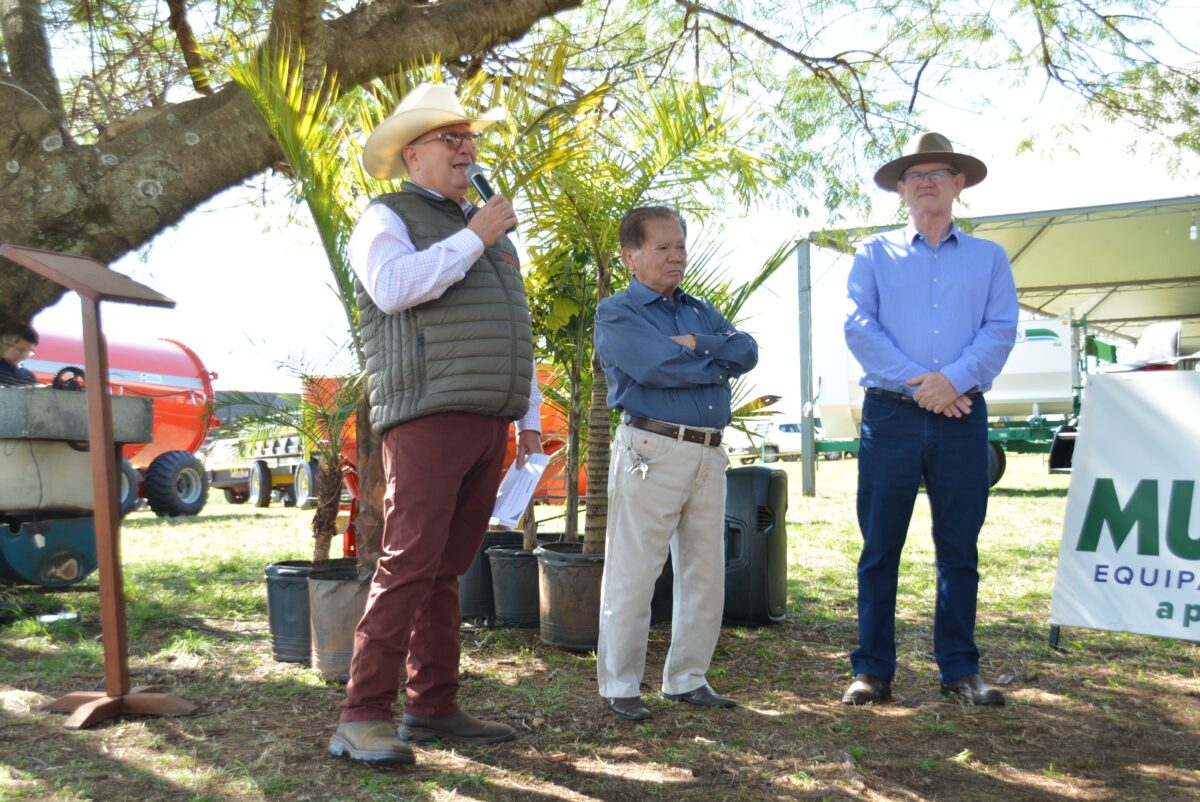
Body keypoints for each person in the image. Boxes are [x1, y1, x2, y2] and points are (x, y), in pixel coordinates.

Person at [328, 83, 543, 764]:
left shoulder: (489, 233)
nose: (466, 148)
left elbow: (513, 328)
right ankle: (360, 715)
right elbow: (393, 289)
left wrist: (529, 419)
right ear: (411, 153)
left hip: (488, 420)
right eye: (449, 138)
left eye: (469, 137)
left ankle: (433, 706)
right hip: (426, 418)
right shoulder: (385, 218)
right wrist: (476, 237)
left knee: (447, 568)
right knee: (408, 563)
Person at [841, 132, 1018, 707]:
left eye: (936, 173)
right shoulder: (872, 254)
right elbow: (858, 328)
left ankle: (960, 670)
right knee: (879, 548)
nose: (924, 183)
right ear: (900, 190)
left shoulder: (990, 257)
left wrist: (952, 382)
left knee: (959, 547)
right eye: (912, 175)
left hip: (962, 416)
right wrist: (927, 386)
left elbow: (1000, 330)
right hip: (890, 417)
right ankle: (872, 671)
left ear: (958, 184)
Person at [593, 205, 759, 721]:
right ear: (631, 256)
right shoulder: (617, 312)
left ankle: (687, 679)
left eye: (680, 246)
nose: (676, 256)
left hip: (709, 453)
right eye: (663, 247)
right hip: (653, 450)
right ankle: (620, 686)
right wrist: (715, 360)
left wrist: (697, 345)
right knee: (634, 572)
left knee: (705, 573)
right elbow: (656, 366)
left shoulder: (699, 311)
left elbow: (748, 351)